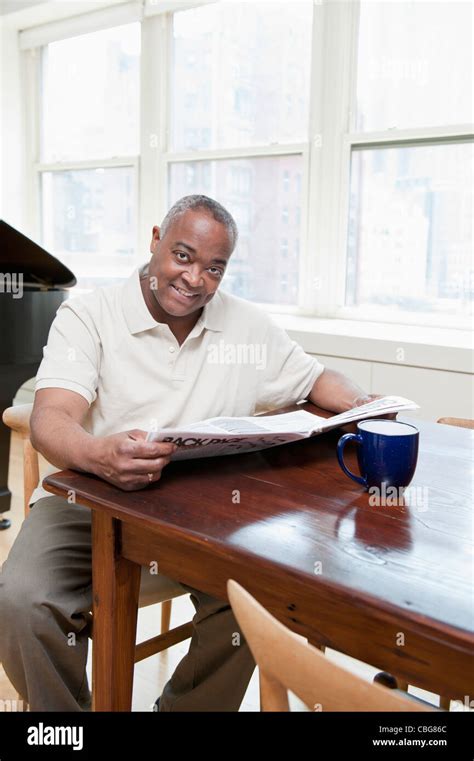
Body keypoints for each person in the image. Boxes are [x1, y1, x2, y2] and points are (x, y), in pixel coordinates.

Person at [0, 194, 377, 712]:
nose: (195, 278)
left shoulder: (246, 326)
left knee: (260, 598)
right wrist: (97, 452)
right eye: (182, 256)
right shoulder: (90, 315)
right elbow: (50, 420)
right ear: (156, 241)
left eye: (214, 267)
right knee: (21, 599)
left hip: (202, 513)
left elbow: (315, 379)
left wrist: (362, 403)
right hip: (89, 502)